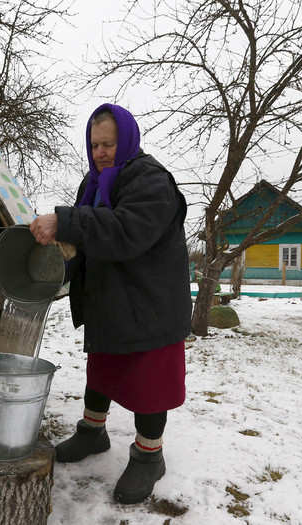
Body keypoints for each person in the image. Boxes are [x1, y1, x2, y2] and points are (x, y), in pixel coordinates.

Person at [29, 103, 191, 504]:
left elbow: (126, 230)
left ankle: (149, 456)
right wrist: (55, 266)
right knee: (101, 370)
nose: (100, 152)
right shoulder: (96, 181)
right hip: (113, 300)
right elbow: (89, 238)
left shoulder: (150, 180)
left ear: (128, 140)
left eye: (109, 143)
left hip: (151, 302)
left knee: (148, 382)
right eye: (95, 144)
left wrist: (65, 222)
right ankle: (92, 433)